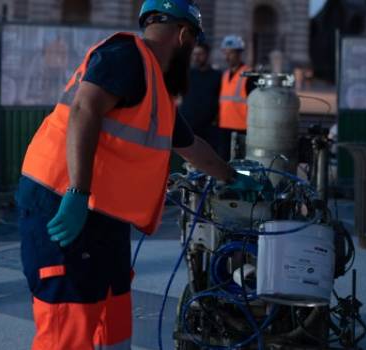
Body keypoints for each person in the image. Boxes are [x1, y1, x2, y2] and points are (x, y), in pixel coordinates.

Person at [16, 1, 263, 349]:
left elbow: (191, 145)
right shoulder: (126, 55)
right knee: (69, 324)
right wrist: (77, 192)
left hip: (104, 215)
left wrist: (232, 176)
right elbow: (84, 110)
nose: (193, 54)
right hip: (62, 202)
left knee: (112, 315)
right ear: (183, 35)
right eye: (193, 43)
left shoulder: (155, 89)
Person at [217, 35, 257, 161]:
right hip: (224, 128)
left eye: (231, 53)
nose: (227, 57)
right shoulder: (225, 74)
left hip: (242, 130)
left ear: (239, 53)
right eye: (225, 53)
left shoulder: (249, 74)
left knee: (240, 165)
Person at [179, 42, 222, 149]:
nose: (196, 57)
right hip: (188, 125)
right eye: (194, 54)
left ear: (207, 55)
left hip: (208, 128)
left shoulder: (217, 76)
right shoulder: (186, 74)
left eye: (200, 54)